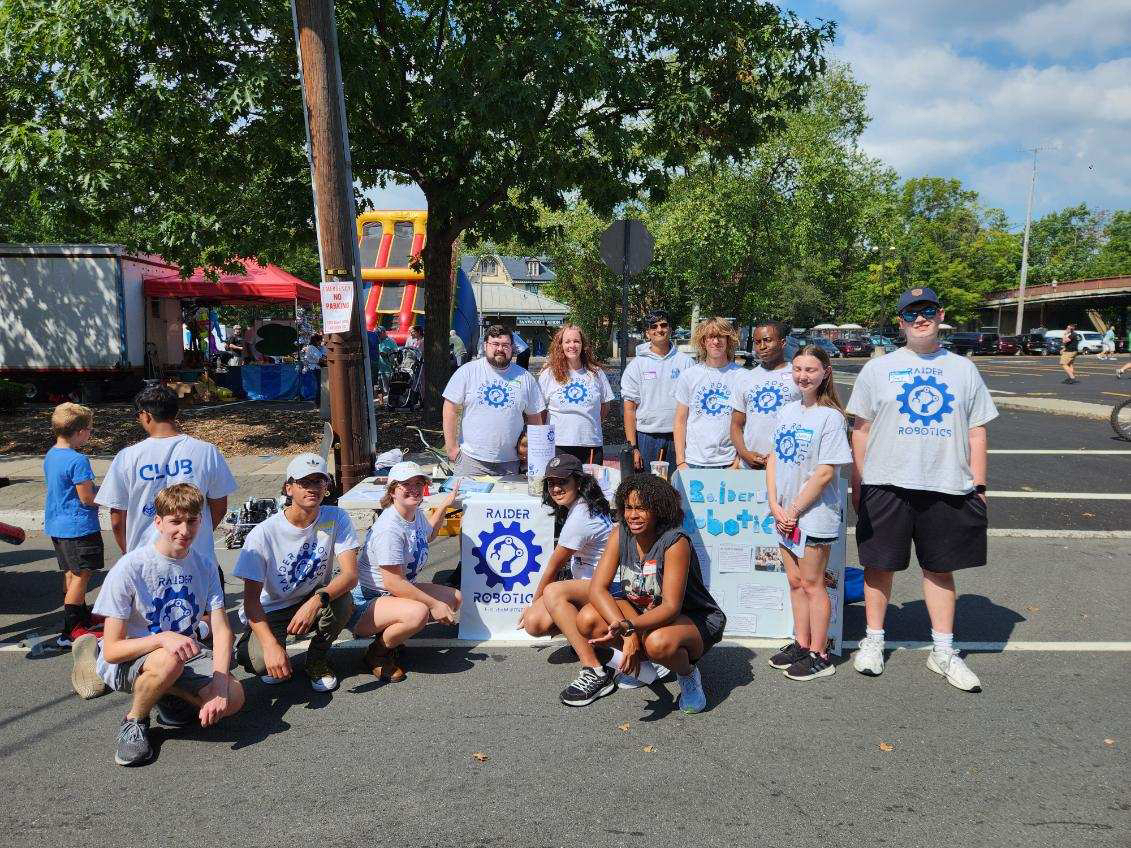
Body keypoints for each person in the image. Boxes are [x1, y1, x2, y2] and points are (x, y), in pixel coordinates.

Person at [847, 287, 997, 692]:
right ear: (900, 321)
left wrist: (979, 485)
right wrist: (858, 482)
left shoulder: (963, 369)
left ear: (940, 314)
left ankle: (944, 650)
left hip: (947, 484)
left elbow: (976, 429)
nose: (919, 319)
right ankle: (874, 639)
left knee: (940, 568)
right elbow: (859, 430)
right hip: (887, 482)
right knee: (878, 566)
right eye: (911, 313)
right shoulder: (878, 369)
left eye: (927, 311)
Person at [70, 484, 244, 765]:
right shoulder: (131, 567)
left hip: (183, 653)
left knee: (234, 698)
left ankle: (167, 693)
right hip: (130, 657)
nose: (184, 531)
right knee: (168, 660)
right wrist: (163, 638)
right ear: (159, 522)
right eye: (175, 521)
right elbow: (114, 649)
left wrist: (221, 684)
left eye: (192, 521)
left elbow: (222, 628)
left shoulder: (205, 565)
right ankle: (134, 721)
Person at [569, 474, 725, 712]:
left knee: (658, 643)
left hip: (691, 618)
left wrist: (631, 627)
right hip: (642, 612)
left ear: (659, 509)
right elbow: (597, 588)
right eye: (629, 507)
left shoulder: (675, 542)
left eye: (641, 508)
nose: (632, 515)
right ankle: (646, 665)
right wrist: (629, 633)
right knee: (587, 619)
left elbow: (671, 607)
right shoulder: (620, 533)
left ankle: (687, 673)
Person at [232, 453, 359, 693]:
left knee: (342, 599)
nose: (313, 488)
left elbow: (351, 575)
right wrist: (270, 645)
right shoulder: (263, 534)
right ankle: (271, 646)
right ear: (288, 488)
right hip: (272, 609)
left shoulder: (336, 517)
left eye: (318, 481)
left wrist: (315, 601)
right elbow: (250, 603)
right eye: (304, 482)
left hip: (310, 599)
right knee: (257, 662)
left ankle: (317, 660)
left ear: (326, 487)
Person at [765, 345, 852, 681]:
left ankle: (819, 653)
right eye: (798, 369)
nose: (803, 376)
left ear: (825, 373)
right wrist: (775, 505)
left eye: (811, 370)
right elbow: (773, 459)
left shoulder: (831, 417)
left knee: (814, 584)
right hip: (784, 513)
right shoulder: (787, 412)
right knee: (795, 581)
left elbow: (825, 473)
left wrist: (795, 510)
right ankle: (801, 643)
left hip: (813, 515)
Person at [96, 385, 237, 575]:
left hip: (145, 562)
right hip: (197, 560)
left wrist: (128, 551)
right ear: (175, 412)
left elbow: (116, 517)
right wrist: (192, 535)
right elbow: (220, 506)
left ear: (145, 415)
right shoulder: (206, 451)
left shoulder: (127, 457)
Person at [348, 462, 462, 681]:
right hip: (367, 601)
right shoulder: (390, 528)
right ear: (392, 491)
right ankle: (377, 654)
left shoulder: (414, 512)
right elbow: (393, 584)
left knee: (453, 597)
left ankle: (392, 635)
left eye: (418, 483)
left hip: (392, 594)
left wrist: (446, 504)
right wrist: (433, 604)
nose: (414, 488)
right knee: (419, 612)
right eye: (405, 484)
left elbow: (427, 535)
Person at [517, 454, 617, 667]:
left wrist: (534, 603)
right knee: (535, 622)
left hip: (606, 589)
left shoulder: (580, 516)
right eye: (551, 483)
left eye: (563, 482)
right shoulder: (584, 504)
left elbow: (552, 570)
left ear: (578, 482)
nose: (555, 489)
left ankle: (592, 667)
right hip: (592, 584)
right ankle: (585, 635)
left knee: (547, 600)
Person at [442, 324, 546, 476]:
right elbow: (449, 409)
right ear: (485, 346)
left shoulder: (525, 378)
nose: (500, 349)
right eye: (495, 344)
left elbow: (535, 417)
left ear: (512, 348)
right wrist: (452, 449)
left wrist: (532, 452)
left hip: (511, 462)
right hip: (471, 461)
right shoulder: (467, 372)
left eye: (505, 345)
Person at [44, 403, 104, 647]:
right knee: (82, 576)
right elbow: (87, 498)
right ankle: (71, 630)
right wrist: (108, 495)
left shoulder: (51, 454)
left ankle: (81, 617)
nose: (90, 433)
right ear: (79, 431)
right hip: (79, 526)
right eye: (89, 429)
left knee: (70, 573)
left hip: (58, 525)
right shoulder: (78, 460)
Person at [621, 310, 695, 471]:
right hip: (647, 438)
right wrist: (633, 447)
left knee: (677, 490)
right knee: (649, 491)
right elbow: (629, 409)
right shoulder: (636, 366)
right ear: (648, 333)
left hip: (679, 438)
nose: (659, 330)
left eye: (663, 325)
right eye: (653, 326)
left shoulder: (687, 363)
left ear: (670, 328)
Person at [674, 317, 744, 471]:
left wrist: (739, 460)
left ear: (728, 340)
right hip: (693, 462)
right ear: (703, 342)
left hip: (729, 462)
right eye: (711, 337)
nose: (716, 341)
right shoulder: (689, 376)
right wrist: (680, 461)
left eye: (720, 336)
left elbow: (748, 424)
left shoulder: (742, 376)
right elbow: (680, 421)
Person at [538, 324, 614, 464]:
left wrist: (588, 421)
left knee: (590, 486)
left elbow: (605, 407)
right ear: (560, 345)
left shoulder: (596, 373)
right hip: (558, 445)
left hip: (591, 444)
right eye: (567, 341)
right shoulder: (549, 374)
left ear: (582, 345)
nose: (572, 345)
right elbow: (540, 411)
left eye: (576, 341)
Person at [730, 321, 801, 469]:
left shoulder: (798, 375)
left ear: (782, 343)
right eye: (757, 342)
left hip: (787, 464)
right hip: (751, 465)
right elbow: (736, 425)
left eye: (767, 340)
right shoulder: (745, 378)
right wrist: (744, 454)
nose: (762, 346)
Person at [300, 333, 327, 405]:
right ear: (315, 340)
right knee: (319, 385)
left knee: (321, 385)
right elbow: (320, 359)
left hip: (320, 367)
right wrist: (325, 359)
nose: (320, 342)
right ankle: (318, 402)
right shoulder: (311, 348)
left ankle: (320, 401)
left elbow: (325, 354)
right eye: (319, 341)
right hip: (315, 368)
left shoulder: (319, 347)